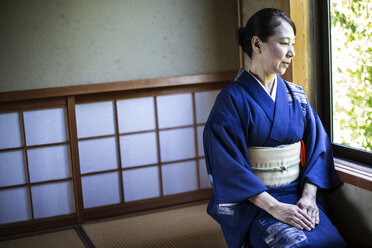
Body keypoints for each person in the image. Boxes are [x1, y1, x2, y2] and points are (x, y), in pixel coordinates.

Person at [203, 8, 347, 248]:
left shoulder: (297, 96)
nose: (291, 52)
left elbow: (319, 150)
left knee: (333, 243)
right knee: (295, 245)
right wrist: (275, 207)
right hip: (254, 202)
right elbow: (227, 167)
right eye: (283, 43)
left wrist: (309, 197)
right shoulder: (231, 101)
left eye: (293, 44)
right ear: (257, 44)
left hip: (298, 196)